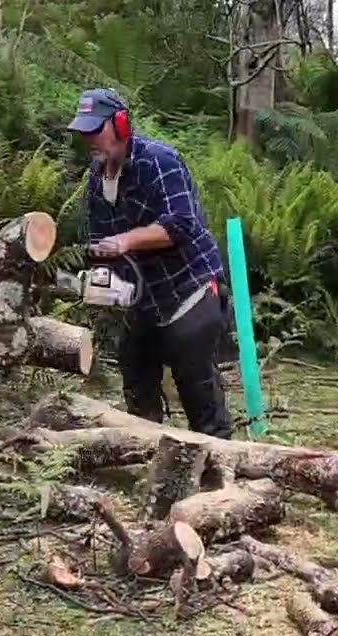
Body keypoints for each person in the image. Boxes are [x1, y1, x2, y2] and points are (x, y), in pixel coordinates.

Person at [66, 88, 235, 439]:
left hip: (188, 288)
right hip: (140, 298)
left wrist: (127, 241)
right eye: (84, 132)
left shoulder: (159, 160)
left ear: (121, 124)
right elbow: (99, 239)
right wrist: (99, 278)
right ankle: (147, 452)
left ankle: (219, 467)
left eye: (96, 130)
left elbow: (181, 223)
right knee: (137, 379)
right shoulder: (97, 178)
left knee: (197, 386)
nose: (90, 139)